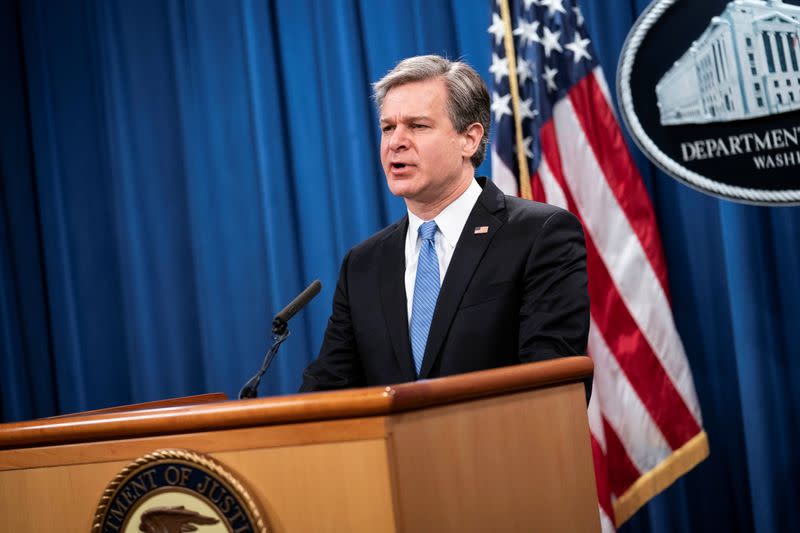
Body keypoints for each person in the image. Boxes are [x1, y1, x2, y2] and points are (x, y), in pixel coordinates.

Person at [300, 55, 588, 391]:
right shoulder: (363, 264)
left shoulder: (539, 235)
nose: (396, 142)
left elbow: (551, 386)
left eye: (418, 126)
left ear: (469, 139)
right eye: (388, 128)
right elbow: (327, 392)